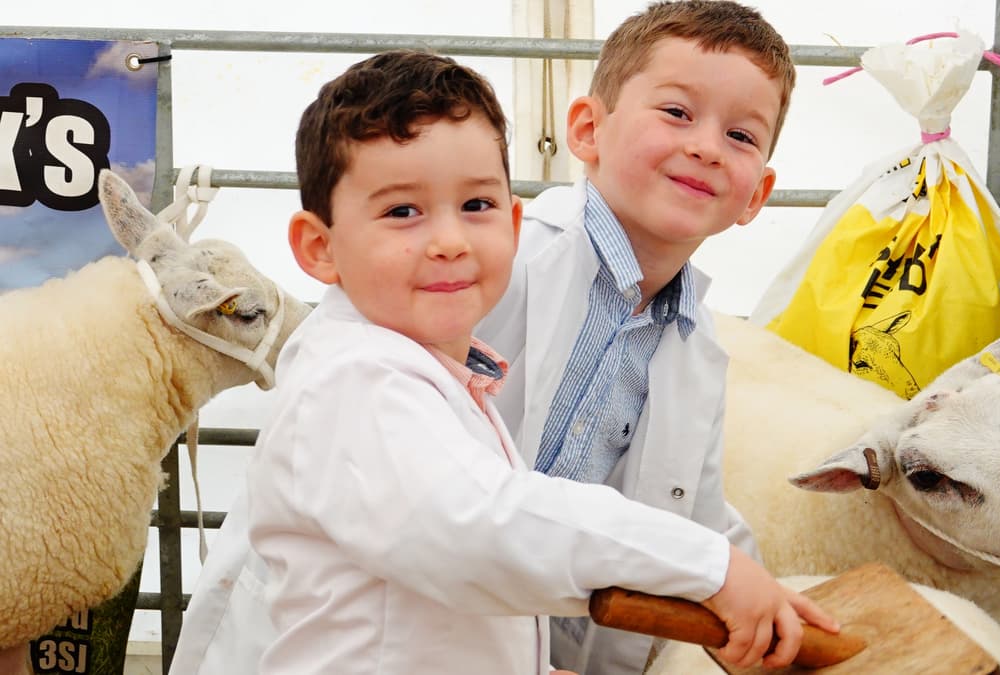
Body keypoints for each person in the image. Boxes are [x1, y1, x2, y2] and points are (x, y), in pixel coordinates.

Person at [172, 49, 834, 675]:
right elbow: (482, 522)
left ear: (509, 224)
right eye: (402, 210)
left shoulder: (460, 360)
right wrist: (709, 566)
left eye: (477, 206)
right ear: (319, 247)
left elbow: (686, 509)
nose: (451, 241)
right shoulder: (357, 378)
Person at [473, 1, 798, 672]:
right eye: (677, 112)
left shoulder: (695, 346)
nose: (706, 146)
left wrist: (780, 608)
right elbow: (438, 487)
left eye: (741, 135)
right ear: (589, 129)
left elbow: (697, 518)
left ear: (755, 196)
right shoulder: (491, 268)